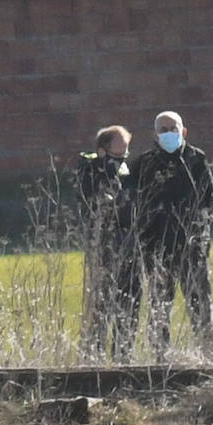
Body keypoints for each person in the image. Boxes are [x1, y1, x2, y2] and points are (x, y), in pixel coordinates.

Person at [133, 111, 213, 360]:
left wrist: (200, 231)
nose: (168, 133)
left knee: (200, 302)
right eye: (163, 129)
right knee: (160, 303)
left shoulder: (195, 159)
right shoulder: (145, 163)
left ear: (183, 131)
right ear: (155, 134)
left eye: (173, 128)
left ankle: (208, 353)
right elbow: (136, 203)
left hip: (192, 245)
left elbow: (210, 201)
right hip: (158, 246)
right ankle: (160, 355)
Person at [76, 125, 142, 362]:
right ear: (103, 151)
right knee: (102, 303)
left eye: (126, 150)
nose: (124, 155)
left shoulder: (127, 172)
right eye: (118, 150)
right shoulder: (92, 172)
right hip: (104, 247)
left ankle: (124, 355)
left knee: (131, 301)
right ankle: (94, 355)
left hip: (130, 246)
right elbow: (93, 204)